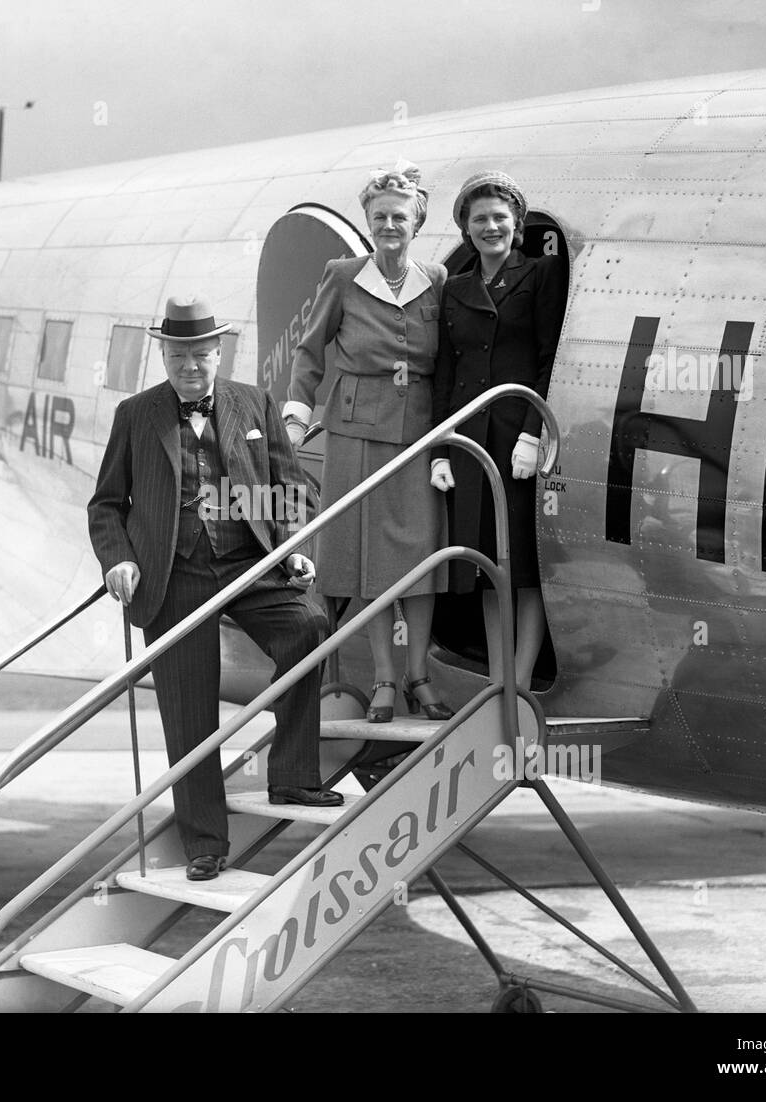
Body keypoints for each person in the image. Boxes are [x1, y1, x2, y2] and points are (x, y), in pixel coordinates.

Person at [88, 293, 341, 883]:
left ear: (219, 352)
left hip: (249, 562)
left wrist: (296, 547)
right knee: (187, 706)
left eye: (201, 355)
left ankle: (294, 775)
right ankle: (204, 841)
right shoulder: (136, 415)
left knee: (307, 626)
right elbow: (106, 505)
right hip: (173, 574)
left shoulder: (254, 403)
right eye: (179, 356)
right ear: (164, 355)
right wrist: (119, 560)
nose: (190, 367)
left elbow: (293, 487)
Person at [282, 162, 451, 724]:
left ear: (417, 222)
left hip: (419, 433)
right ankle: (383, 678)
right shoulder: (343, 275)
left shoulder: (438, 280)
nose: (388, 225)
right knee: (370, 563)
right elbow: (310, 353)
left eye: (399, 216)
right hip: (355, 433)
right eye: (379, 216)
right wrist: (295, 418)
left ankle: (418, 675)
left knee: (420, 558)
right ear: (368, 221)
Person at [431, 170, 565, 690]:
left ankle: (521, 679)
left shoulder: (539, 276)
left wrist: (534, 433)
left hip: (515, 440)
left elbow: (547, 359)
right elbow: (445, 373)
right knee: (487, 565)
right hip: (470, 441)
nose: (491, 227)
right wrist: (439, 450)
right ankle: (499, 678)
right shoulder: (455, 288)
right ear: (466, 227)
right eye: (480, 218)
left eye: (500, 218)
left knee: (524, 567)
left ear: (517, 224)